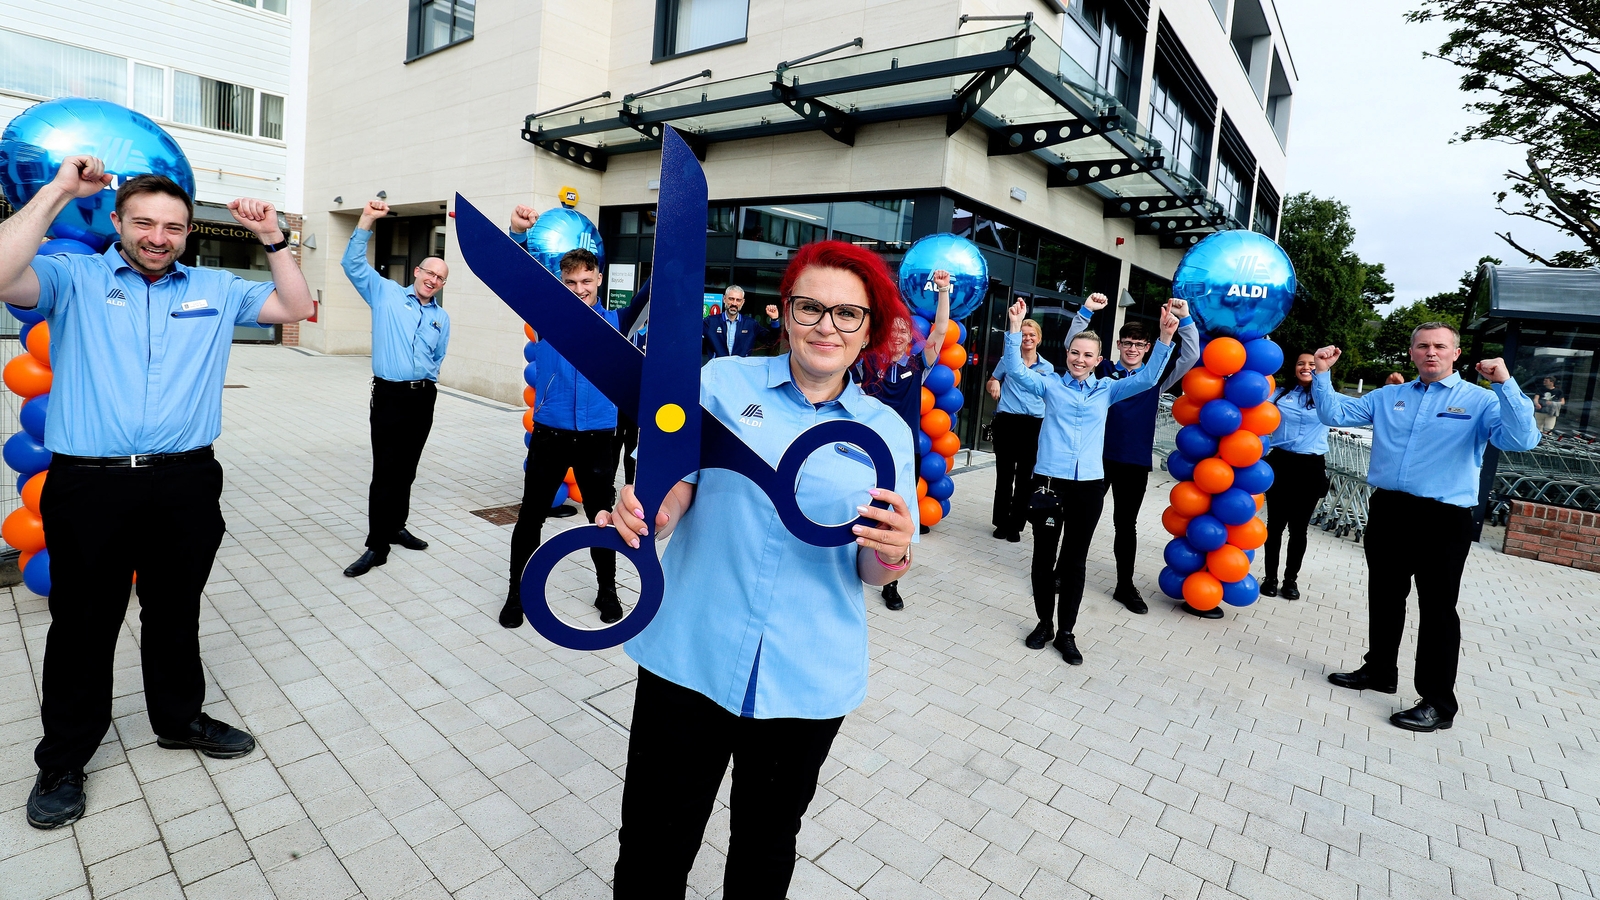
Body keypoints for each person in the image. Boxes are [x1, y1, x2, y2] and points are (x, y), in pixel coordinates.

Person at [0, 159, 312, 828]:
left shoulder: (214, 286)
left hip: (184, 483)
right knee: (84, 625)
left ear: (187, 233)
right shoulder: (73, 278)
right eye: (143, 222)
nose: (158, 236)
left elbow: (294, 307)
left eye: (172, 226)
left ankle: (179, 721)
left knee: (176, 612)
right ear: (117, 223)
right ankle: (63, 758)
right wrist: (56, 191)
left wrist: (276, 240)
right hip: (91, 483)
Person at [600, 240, 917, 898]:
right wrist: (649, 510)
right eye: (811, 307)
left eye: (847, 315)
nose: (827, 325)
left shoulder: (885, 432)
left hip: (805, 679)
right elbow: (679, 487)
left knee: (765, 849)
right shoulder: (723, 384)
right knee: (653, 845)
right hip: (688, 656)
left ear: (868, 331)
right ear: (785, 311)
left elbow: (873, 566)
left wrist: (895, 550)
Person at [1312, 323, 1540, 732]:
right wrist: (1324, 372)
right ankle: (1380, 670)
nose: (1431, 352)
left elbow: (1522, 440)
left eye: (1440, 346)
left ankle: (1438, 703)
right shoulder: (1389, 396)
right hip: (1389, 509)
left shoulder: (1481, 401)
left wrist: (1506, 384)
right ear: (1412, 353)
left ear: (1455, 354)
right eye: (1423, 346)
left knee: (1436, 610)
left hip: (1444, 518)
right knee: (1384, 593)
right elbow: (1333, 413)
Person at [999, 296, 1178, 664]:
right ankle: (1044, 623)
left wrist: (1163, 339)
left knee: (1075, 561)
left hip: (1089, 487)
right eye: (1075, 353)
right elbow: (1016, 372)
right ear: (1068, 353)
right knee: (1042, 558)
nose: (1080, 360)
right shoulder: (1050, 385)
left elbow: (1147, 377)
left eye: (1087, 356)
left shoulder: (1108, 389)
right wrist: (1015, 330)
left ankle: (1066, 632)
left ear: (1099, 360)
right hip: (1048, 483)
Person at [500, 216, 624, 629]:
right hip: (550, 434)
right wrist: (518, 234)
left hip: (596, 438)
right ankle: (516, 592)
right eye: (571, 283)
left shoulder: (616, 325)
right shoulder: (546, 316)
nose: (579, 289)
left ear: (598, 279)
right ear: (561, 283)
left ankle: (607, 588)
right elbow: (513, 276)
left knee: (601, 516)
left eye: (586, 280)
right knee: (530, 515)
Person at [1063, 295, 1199, 613]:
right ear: (1119, 345)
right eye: (1127, 343)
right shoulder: (1103, 371)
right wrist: (1085, 312)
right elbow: (1074, 347)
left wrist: (1186, 319)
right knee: (1079, 519)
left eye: (1139, 344)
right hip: (1095, 457)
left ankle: (1125, 585)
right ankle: (1062, 573)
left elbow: (1191, 355)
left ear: (1148, 347)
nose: (1132, 349)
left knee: (1126, 525)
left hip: (1134, 461)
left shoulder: (1156, 377)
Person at [340, 200, 451, 577]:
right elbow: (352, 265)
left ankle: (397, 525)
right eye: (429, 272)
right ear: (417, 272)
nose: (433, 280)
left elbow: (438, 357)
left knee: (407, 469)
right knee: (385, 471)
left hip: (423, 397)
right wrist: (367, 220)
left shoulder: (441, 317)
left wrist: (423, 379)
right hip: (390, 396)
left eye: (440, 278)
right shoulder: (384, 293)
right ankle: (377, 545)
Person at [855, 270, 950, 610]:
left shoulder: (917, 363)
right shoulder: (867, 364)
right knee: (859, 504)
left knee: (899, 512)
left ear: (910, 336)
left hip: (904, 452)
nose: (897, 335)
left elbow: (940, 329)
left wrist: (942, 291)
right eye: (892, 330)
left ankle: (891, 582)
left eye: (903, 330)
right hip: (866, 449)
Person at [1260, 352, 1329, 601]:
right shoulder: (1278, 394)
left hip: (1310, 467)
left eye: (1312, 364)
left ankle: (1291, 581)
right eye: (1301, 363)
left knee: (1299, 529)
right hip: (1281, 462)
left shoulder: (1326, 397)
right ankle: (1270, 578)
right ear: (1294, 367)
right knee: (1275, 526)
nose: (1306, 367)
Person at [986, 317, 1052, 543]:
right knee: (1004, 476)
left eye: (1032, 334)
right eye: (1023, 334)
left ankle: (1016, 525)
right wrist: (993, 382)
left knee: (1025, 478)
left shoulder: (1047, 368)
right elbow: (992, 380)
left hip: (1033, 425)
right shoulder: (1008, 360)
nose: (1027, 338)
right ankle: (1001, 523)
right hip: (1007, 422)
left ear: (1039, 339)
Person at [702, 285, 776, 359]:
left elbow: (770, 341)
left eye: (738, 300)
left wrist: (775, 320)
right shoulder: (710, 322)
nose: (734, 303)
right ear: (724, 299)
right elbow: (693, 336)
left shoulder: (751, 324)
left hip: (741, 369)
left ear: (743, 302)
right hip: (717, 369)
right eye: (731, 299)